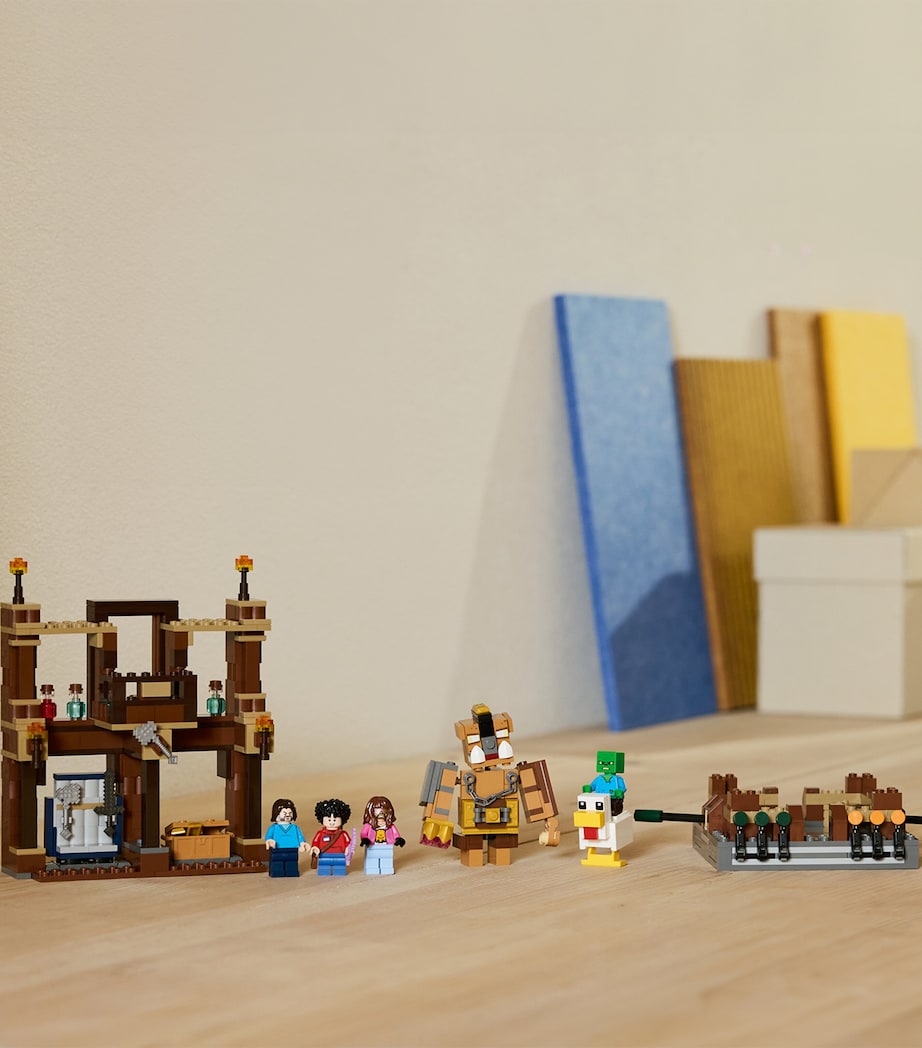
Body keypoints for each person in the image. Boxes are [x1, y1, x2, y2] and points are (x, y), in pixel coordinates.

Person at [359, 796, 405, 875]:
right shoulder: (369, 826)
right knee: (372, 860)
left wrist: (398, 839)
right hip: (373, 846)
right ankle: (372, 869)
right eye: (377, 809)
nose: (380, 811)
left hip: (387, 846)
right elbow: (363, 833)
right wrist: (365, 839)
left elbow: (395, 833)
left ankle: (386, 868)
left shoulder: (390, 826)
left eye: (383, 808)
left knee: (386, 860)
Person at [265, 798, 308, 877]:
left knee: (292, 864)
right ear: (276, 814)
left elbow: (300, 837)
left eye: (290, 813)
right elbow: (268, 836)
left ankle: (291, 871)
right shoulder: (274, 828)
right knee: (277, 864)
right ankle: (277, 872)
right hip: (277, 850)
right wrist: (269, 841)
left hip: (292, 849)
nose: (288, 815)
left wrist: (302, 843)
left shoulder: (295, 827)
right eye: (284, 813)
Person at [310, 798, 352, 876]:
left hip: (340, 855)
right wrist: (315, 848)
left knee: (339, 870)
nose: (332, 823)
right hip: (324, 855)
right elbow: (315, 842)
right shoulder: (320, 833)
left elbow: (348, 842)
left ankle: (339, 872)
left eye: (335, 820)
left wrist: (348, 848)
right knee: (324, 870)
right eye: (329, 820)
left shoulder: (343, 834)